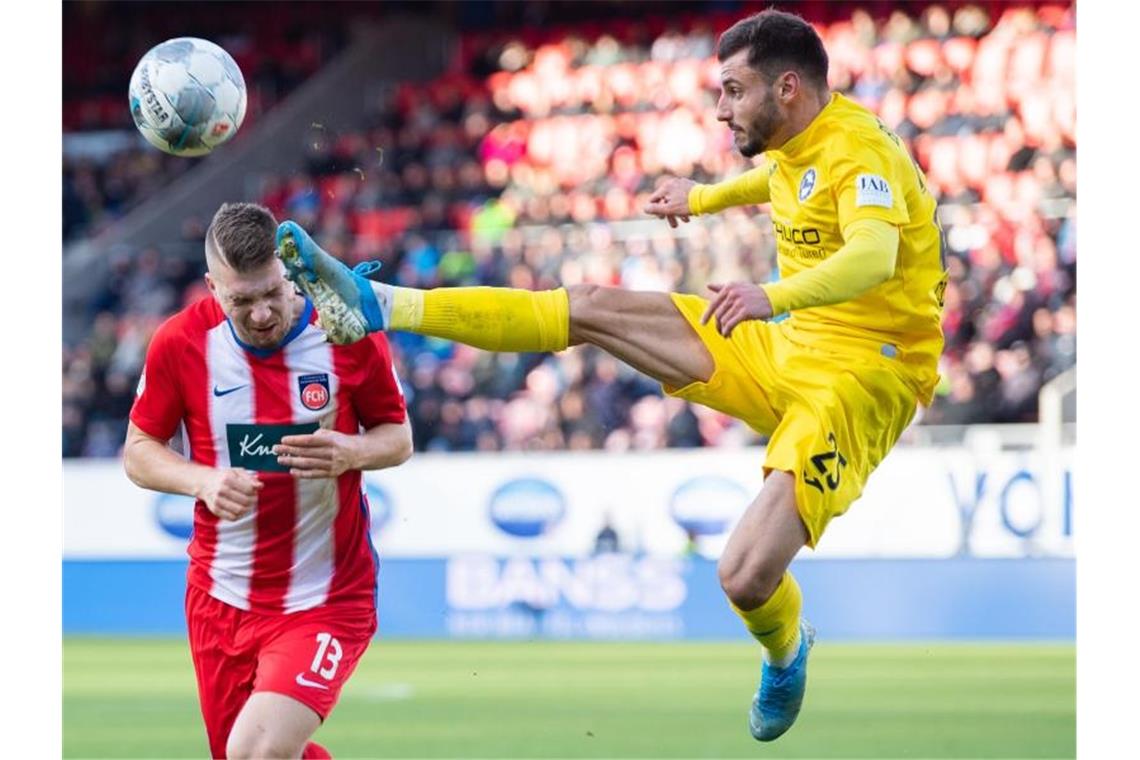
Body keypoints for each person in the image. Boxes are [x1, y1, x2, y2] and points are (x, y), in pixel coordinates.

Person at [276, 8, 946, 743]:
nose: (720, 109)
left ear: (787, 88)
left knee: (744, 576)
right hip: (786, 345)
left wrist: (771, 296)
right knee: (593, 307)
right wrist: (702, 198)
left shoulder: (860, 153)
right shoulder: (804, 138)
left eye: (732, 91)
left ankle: (788, 650)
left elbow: (872, 258)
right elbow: (786, 183)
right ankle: (380, 304)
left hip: (862, 379)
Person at [122, 202, 412, 759]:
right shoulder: (180, 344)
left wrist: (351, 450)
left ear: (289, 271)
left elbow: (397, 438)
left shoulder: (344, 330)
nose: (260, 314)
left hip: (327, 597)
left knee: (254, 753)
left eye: (272, 293)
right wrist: (202, 482)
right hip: (220, 597)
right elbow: (139, 452)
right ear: (211, 287)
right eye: (241, 301)